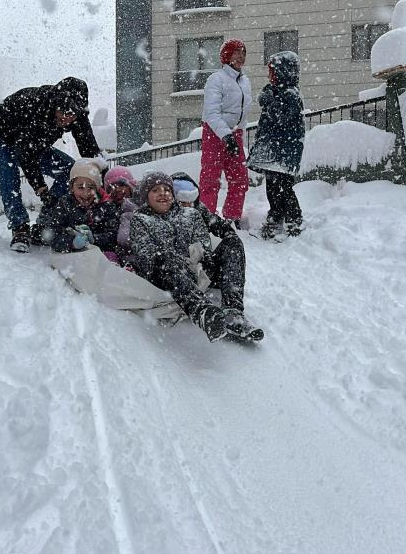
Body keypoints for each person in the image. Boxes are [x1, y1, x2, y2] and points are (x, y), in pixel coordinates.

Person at [129, 172, 263, 342]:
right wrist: (178, 261)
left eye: (166, 189)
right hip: (169, 275)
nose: (163, 193)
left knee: (233, 244)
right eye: (155, 190)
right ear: (146, 196)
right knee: (163, 259)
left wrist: (200, 258)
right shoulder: (140, 219)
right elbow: (146, 254)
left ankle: (233, 312)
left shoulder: (190, 214)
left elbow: (203, 244)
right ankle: (203, 313)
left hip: (199, 270)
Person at [0, 77, 103, 252]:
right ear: (54, 106)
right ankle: (19, 226)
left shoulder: (77, 115)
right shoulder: (34, 106)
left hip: (32, 144)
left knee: (70, 169)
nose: (66, 119)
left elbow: (89, 151)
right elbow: (27, 155)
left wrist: (101, 178)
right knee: (7, 167)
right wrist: (41, 189)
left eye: (71, 115)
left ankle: (47, 219)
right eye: (63, 112)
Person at [247, 51, 306, 240]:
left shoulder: (291, 95)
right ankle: (275, 216)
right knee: (272, 187)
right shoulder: (278, 92)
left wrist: (269, 100)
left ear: (283, 72)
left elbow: (281, 118)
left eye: (272, 71)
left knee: (284, 187)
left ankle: (294, 219)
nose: (269, 75)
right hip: (275, 151)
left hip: (284, 152)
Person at [199, 39, 253, 228]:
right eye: (236, 52)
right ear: (226, 56)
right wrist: (225, 135)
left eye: (243, 52)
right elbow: (211, 113)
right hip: (214, 134)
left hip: (235, 134)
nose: (240, 56)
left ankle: (232, 217)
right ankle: (206, 220)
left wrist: (238, 135)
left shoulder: (245, 81)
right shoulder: (217, 79)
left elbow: (244, 114)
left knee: (240, 178)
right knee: (210, 179)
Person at [35, 158, 115, 253]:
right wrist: (72, 242)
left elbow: (113, 234)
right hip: (71, 256)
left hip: (95, 255)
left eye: (91, 187)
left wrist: (94, 239)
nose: (86, 193)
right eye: (80, 187)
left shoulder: (105, 205)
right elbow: (52, 235)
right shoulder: (65, 204)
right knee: (40, 232)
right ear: (72, 188)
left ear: (97, 188)